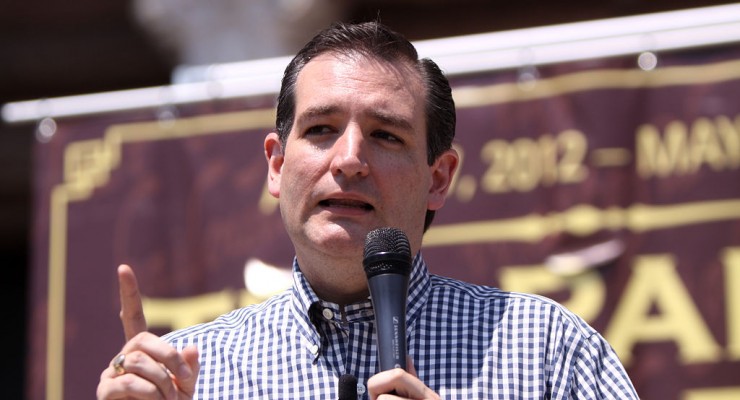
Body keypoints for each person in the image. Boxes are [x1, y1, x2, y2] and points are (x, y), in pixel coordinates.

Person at [97, 21, 638, 399]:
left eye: (385, 135)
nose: (350, 159)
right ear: (277, 165)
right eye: (321, 129)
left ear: (438, 177)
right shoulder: (185, 376)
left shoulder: (545, 351)